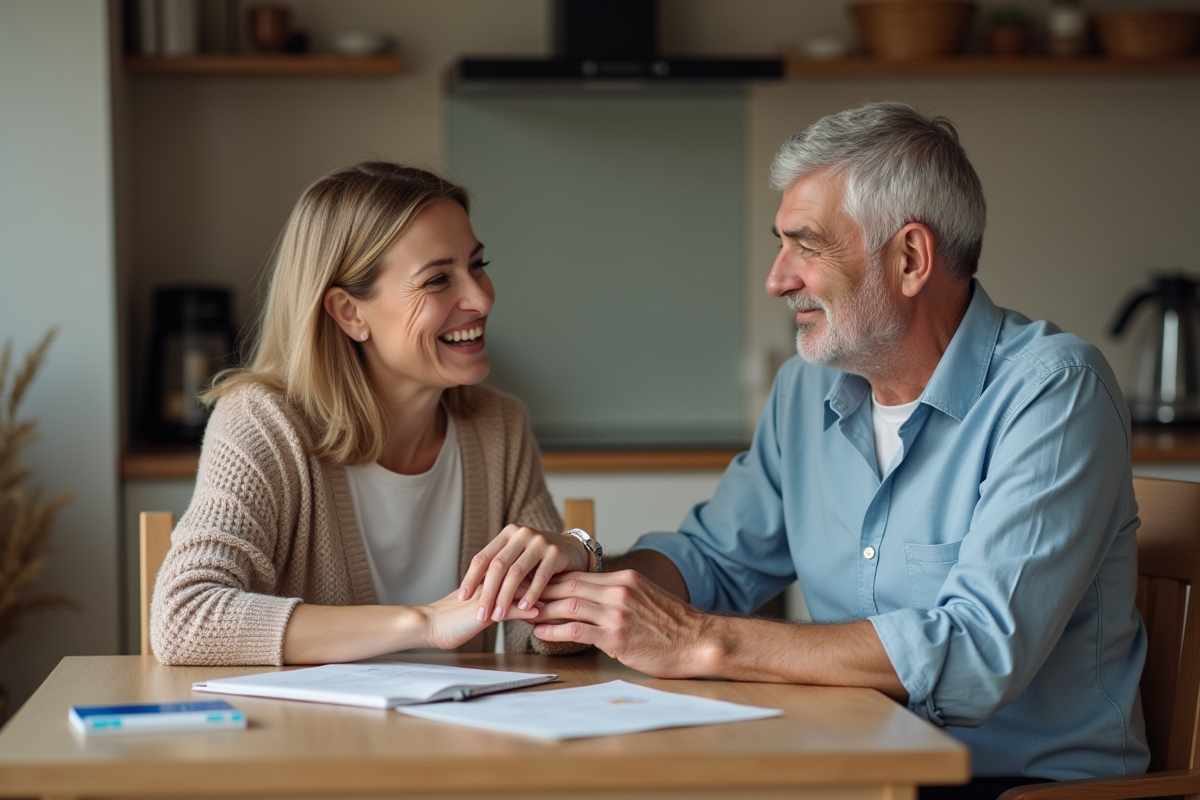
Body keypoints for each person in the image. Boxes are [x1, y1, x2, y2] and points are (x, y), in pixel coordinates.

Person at [513, 103, 1150, 796]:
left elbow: (977, 653)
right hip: (860, 770)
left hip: (1020, 789)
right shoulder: (802, 392)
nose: (777, 278)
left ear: (910, 258)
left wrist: (703, 641)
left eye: (806, 245)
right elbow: (715, 561)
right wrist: (587, 592)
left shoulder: (1056, 392)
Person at [150, 162, 593, 666]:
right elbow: (186, 619)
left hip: (463, 740)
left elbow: (545, 641)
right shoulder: (262, 426)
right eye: (438, 279)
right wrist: (424, 623)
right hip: (310, 741)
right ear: (349, 312)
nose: (480, 297)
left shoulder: (499, 427)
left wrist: (576, 554)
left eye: (478, 266)